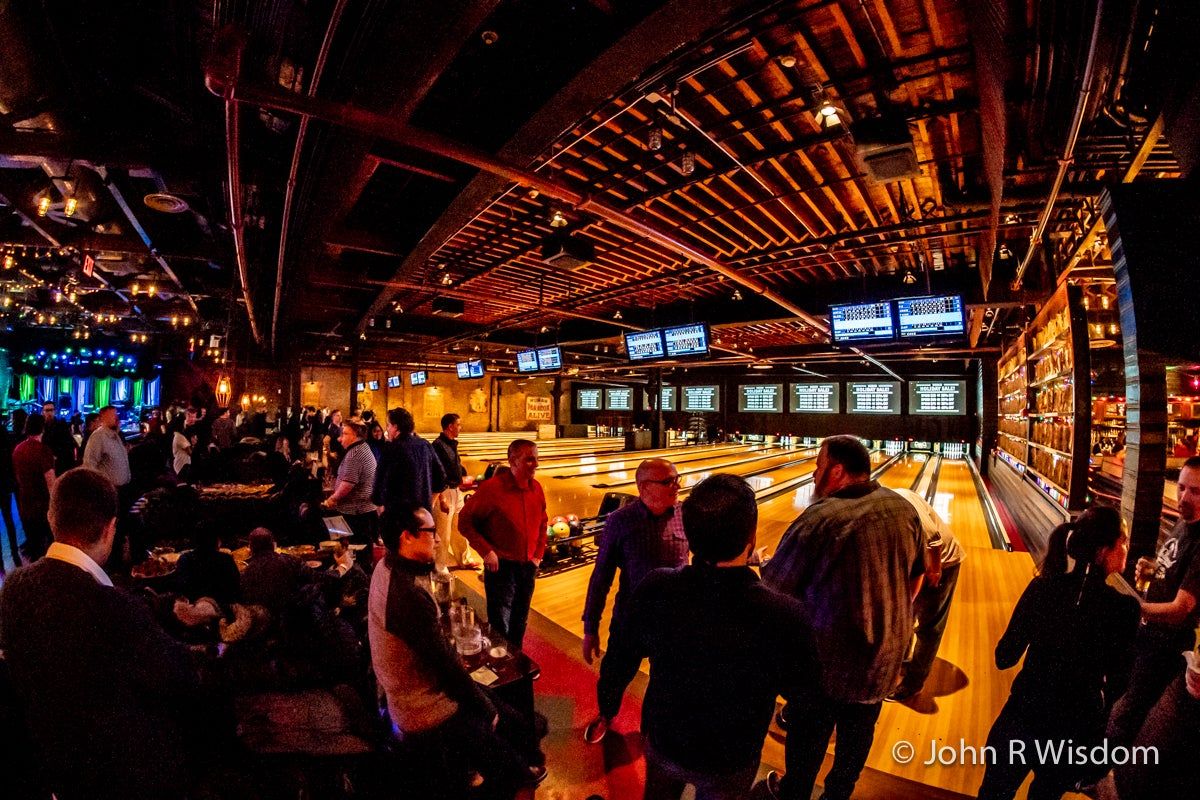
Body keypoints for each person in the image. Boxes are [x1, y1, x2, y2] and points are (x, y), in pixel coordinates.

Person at [600, 474, 819, 800]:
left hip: (665, 740)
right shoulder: (784, 615)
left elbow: (620, 656)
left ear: (688, 534)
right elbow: (806, 700)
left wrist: (607, 703)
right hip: (731, 759)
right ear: (752, 536)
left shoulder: (656, 587)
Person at [0, 468, 199, 800]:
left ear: (52, 519)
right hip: (120, 775)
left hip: (50, 767)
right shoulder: (112, 607)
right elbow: (182, 678)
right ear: (110, 529)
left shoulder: (14, 591)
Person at [761, 435, 924, 800]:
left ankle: (794, 793)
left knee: (806, 745)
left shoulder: (820, 518)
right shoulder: (903, 508)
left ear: (836, 470)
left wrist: (762, 563)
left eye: (818, 465)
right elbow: (918, 574)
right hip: (881, 661)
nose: (814, 473)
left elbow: (775, 588)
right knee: (855, 742)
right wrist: (891, 617)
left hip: (825, 666)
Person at [368, 507, 546, 796]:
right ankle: (520, 776)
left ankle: (522, 757)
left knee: (513, 716)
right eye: (431, 532)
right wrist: (486, 710)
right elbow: (447, 668)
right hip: (423, 707)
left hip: (408, 693)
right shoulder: (407, 595)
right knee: (507, 746)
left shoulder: (386, 567)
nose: (438, 539)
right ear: (407, 537)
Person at [977, 505, 1139, 800]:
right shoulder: (1124, 610)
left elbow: (1005, 657)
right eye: (1124, 541)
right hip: (1071, 733)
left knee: (993, 794)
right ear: (1104, 550)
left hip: (1020, 719)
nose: (1127, 548)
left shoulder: (1042, 587)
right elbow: (1119, 685)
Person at [581, 457, 690, 744]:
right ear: (643, 488)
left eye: (677, 478)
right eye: (668, 481)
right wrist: (590, 628)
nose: (676, 485)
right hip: (630, 620)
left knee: (663, 683)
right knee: (613, 676)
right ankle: (605, 714)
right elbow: (601, 577)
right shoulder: (620, 521)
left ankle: (650, 731)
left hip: (671, 624)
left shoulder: (685, 515)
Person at [1107, 455, 1200, 747]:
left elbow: (1180, 610)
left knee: (1128, 712)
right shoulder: (1183, 523)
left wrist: (1133, 608)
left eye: (1196, 492)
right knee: (1118, 698)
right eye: (1182, 487)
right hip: (1147, 635)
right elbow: (1169, 569)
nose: (1184, 496)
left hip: (1166, 646)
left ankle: (1105, 777)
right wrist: (1151, 567)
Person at [459, 439, 547, 651]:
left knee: (520, 618)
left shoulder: (536, 488)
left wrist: (538, 555)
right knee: (499, 620)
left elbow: (544, 522)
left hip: (528, 567)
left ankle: (515, 659)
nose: (536, 464)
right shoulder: (492, 489)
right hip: (501, 567)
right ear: (512, 461)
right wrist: (486, 551)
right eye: (529, 460)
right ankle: (498, 663)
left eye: (536, 459)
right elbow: (464, 521)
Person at [889, 486, 966, 701]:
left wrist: (934, 571)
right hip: (919, 561)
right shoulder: (887, 502)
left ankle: (914, 683)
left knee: (929, 626)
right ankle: (902, 660)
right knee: (905, 615)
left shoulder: (903, 505)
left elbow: (934, 540)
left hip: (943, 562)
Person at [373, 407, 445, 519]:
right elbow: (441, 479)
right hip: (423, 514)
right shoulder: (425, 445)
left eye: (388, 425)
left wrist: (381, 509)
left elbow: (379, 486)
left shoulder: (391, 449)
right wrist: (430, 503)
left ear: (395, 427)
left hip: (397, 515)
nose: (387, 430)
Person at [431, 412, 479, 569]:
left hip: (456, 491)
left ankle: (464, 558)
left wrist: (463, 477)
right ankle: (439, 565)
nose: (460, 427)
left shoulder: (451, 443)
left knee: (460, 527)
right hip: (444, 492)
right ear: (450, 426)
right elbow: (435, 474)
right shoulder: (438, 446)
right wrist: (441, 499)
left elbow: (454, 467)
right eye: (458, 424)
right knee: (443, 532)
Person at [321, 418, 378, 543]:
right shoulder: (361, 448)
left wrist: (331, 500)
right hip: (362, 510)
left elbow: (348, 484)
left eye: (345, 434)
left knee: (351, 550)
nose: (340, 438)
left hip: (356, 513)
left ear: (356, 436)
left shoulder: (355, 454)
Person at [12, 414, 56, 561]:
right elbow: (51, 483)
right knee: (50, 547)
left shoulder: (18, 449)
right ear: (43, 428)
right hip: (43, 506)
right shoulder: (43, 451)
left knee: (34, 545)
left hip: (25, 504)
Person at [239, 527, 312, 614]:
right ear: (273, 545)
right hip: (292, 614)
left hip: (266, 620)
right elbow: (313, 577)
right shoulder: (290, 561)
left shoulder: (247, 573)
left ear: (251, 549)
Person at [174, 526, 240, 608]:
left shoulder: (184, 559)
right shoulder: (226, 559)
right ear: (217, 541)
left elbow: (181, 589)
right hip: (224, 609)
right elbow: (236, 587)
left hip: (195, 611)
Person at [0, 414, 21, 570]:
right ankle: (15, 555)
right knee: (9, 521)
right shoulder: (7, 437)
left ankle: (1, 561)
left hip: (5, 483)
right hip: (5, 485)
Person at [41, 401, 77, 474]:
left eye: (52, 410)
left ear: (55, 411)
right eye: (47, 410)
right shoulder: (40, 425)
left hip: (60, 461)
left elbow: (68, 443)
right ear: (43, 412)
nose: (49, 413)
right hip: (45, 460)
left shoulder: (61, 424)